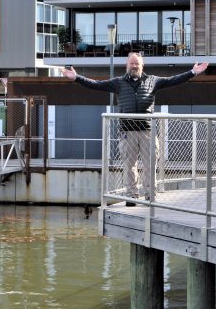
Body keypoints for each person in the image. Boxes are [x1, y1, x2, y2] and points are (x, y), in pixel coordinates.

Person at [62, 53, 208, 206]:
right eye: (131, 63)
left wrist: (192, 73)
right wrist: (77, 77)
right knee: (129, 166)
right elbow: (96, 85)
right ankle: (131, 196)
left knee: (150, 164)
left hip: (147, 131)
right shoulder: (118, 83)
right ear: (127, 65)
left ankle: (150, 196)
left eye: (137, 63)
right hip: (127, 131)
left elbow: (173, 80)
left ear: (142, 65)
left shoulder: (153, 80)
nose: (134, 66)